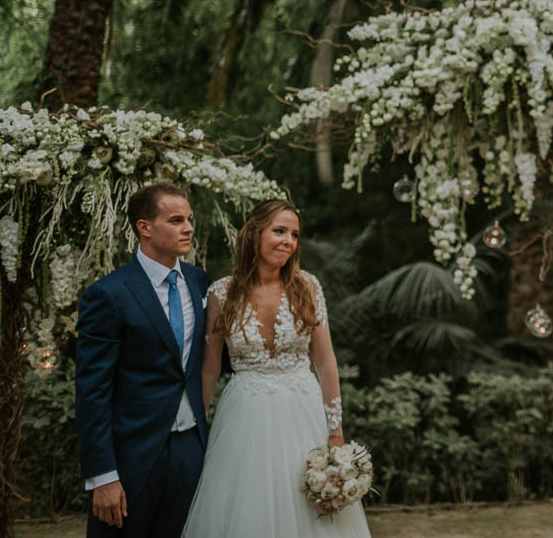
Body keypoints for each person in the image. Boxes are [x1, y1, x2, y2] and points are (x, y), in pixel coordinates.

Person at [181, 199, 371, 538]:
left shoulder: (308, 287)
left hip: (302, 411)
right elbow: (208, 369)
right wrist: (196, 427)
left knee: (306, 504)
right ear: (254, 234)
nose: (289, 241)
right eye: (279, 231)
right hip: (243, 416)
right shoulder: (220, 293)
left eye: (295, 235)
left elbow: (325, 362)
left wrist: (335, 430)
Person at [76, 183, 209, 537]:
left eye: (189, 219)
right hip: (131, 455)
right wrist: (103, 476)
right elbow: (92, 391)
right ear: (144, 227)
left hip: (191, 449)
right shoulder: (107, 295)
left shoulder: (198, 281)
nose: (188, 228)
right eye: (176, 220)